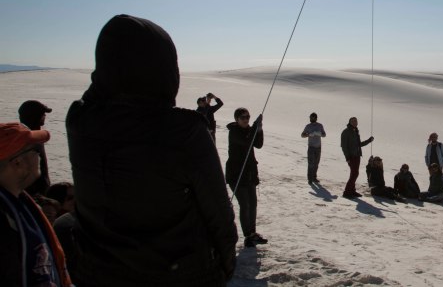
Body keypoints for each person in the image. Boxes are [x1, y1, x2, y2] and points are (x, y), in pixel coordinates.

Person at [66, 14, 237, 286]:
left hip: (96, 272)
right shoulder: (184, 131)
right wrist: (224, 268)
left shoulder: (79, 120)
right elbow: (219, 215)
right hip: (178, 275)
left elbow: (97, 97)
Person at [0, 122, 72, 287]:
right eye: (36, 151)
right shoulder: (4, 220)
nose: (40, 156)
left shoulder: (19, 202)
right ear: (17, 163)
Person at [225, 108, 267, 248]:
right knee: (245, 204)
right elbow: (247, 141)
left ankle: (253, 233)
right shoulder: (234, 132)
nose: (246, 119)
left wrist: (259, 129)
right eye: (243, 117)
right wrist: (255, 127)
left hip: (249, 173)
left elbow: (258, 144)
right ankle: (248, 235)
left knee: (253, 204)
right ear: (237, 119)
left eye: (248, 117)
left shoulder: (249, 130)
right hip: (237, 175)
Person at [18, 99, 52, 196]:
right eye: (43, 114)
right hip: (36, 194)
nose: (45, 116)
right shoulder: (31, 139)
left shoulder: (29, 136)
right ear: (36, 116)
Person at [340, 117, 374, 198]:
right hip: (351, 156)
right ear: (350, 122)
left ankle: (352, 191)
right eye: (353, 121)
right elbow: (344, 146)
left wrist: (369, 140)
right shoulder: (346, 132)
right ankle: (347, 192)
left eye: (356, 121)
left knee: (354, 173)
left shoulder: (355, 131)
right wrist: (347, 157)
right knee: (354, 173)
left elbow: (359, 144)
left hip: (357, 155)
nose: (355, 122)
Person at [301, 112, 326, 184]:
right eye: (310, 117)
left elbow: (324, 135)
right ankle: (310, 179)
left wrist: (320, 134)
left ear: (315, 118)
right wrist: (308, 134)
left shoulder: (320, 125)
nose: (310, 119)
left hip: (318, 147)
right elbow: (302, 135)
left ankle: (314, 177)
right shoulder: (308, 126)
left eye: (311, 117)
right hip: (311, 147)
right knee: (311, 163)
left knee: (316, 163)